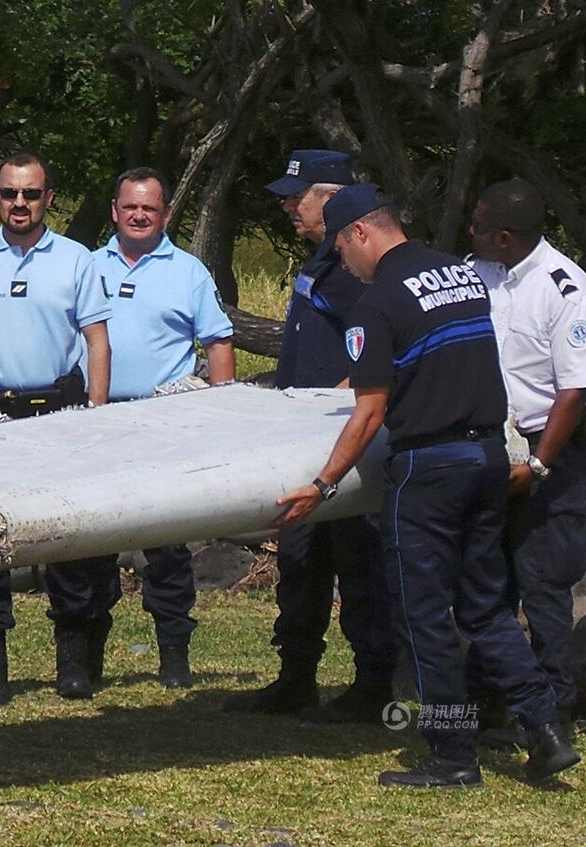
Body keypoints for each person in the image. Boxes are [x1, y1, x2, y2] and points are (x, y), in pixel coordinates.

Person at [274, 183, 580, 788]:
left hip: (427, 470)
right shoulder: (461, 274)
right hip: (488, 458)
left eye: (342, 251)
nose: (346, 268)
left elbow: (367, 413)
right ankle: (545, 731)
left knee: (424, 618)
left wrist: (322, 483)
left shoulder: (379, 300)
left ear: (360, 233)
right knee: (487, 607)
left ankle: (452, 755)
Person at [223, 150, 398, 722]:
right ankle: (296, 674)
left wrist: (337, 403)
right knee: (300, 565)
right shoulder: (323, 260)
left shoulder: (355, 268)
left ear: (334, 197)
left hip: (340, 442)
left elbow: (377, 351)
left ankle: (372, 684)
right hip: (300, 443)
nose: (287, 207)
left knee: (358, 563)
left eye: (298, 197)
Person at [0, 152, 115, 705]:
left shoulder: (77, 260)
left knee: (66, 538)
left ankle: (71, 664)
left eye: (30, 194)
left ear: (49, 198)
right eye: (8, 194)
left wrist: (96, 410)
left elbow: (97, 339)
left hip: (61, 409)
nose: (18, 204)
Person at [467, 179, 586, 734]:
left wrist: (539, 465)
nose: (469, 234)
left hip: (549, 448)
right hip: (490, 443)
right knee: (487, 575)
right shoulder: (480, 274)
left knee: (543, 582)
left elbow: (574, 393)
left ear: (505, 236)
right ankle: (487, 695)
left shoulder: (566, 290)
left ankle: (554, 708)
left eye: (477, 226)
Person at [91, 165, 235, 688]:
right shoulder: (87, 266)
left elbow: (218, 342)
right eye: (129, 206)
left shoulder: (189, 272)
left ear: (166, 213)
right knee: (92, 542)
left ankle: (174, 655)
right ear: (115, 209)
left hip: (163, 422)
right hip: (99, 421)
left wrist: (220, 414)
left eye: (149, 208)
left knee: (168, 550)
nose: (138, 215)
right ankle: (86, 660)